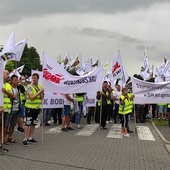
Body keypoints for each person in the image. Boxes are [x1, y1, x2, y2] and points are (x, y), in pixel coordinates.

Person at [22, 73, 44, 147]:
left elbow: (42, 97)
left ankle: (30, 137)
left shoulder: (40, 86)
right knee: (28, 123)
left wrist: (41, 93)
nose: (34, 80)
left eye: (35, 78)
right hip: (29, 107)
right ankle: (24, 139)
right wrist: (39, 92)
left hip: (37, 108)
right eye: (33, 78)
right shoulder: (29, 87)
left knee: (33, 123)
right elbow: (31, 97)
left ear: (38, 78)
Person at [6, 75, 20, 143]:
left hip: (16, 109)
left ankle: (10, 137)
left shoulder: (18, 88)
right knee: (6, 124)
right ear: (11, 80)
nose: (16, 81)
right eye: (15, 80)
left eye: (17, 80)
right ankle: (4, 138)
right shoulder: (9, 88)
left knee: (13, 124)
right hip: (10, 109)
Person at [2, 70, 13, 145]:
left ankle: (3, 139)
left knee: (5, 125)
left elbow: (12, 95)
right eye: (7, 74)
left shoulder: (8, 85)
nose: (9, 76)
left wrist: (6, 91)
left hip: (7, 108)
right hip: (1, 108)